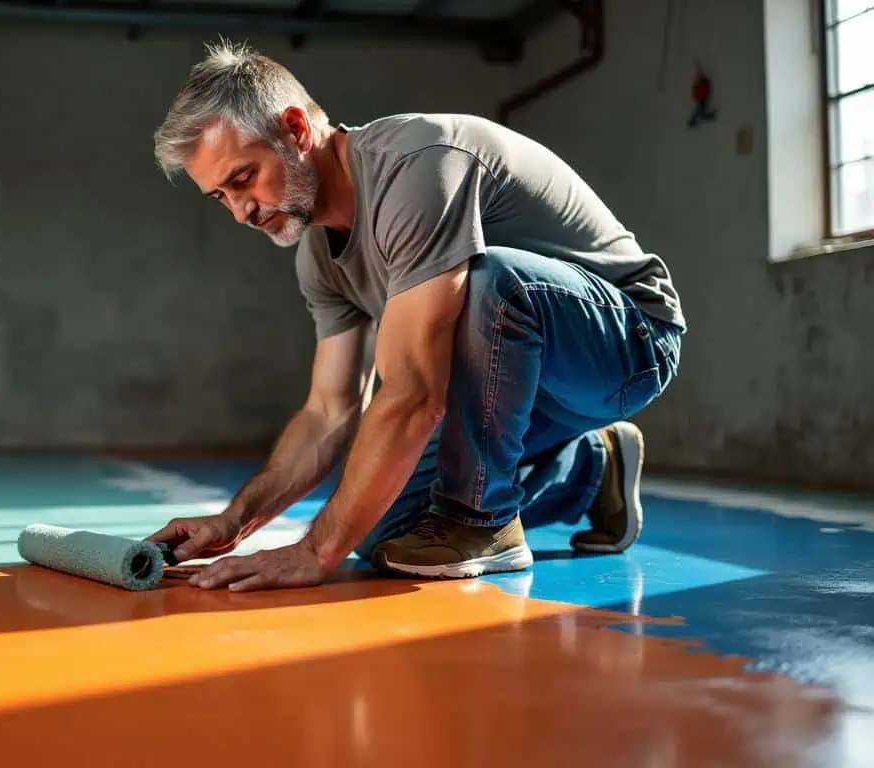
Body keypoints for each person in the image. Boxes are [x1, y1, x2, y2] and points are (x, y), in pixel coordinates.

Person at [145, 39, 685, 592]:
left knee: (489, 282)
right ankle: (592, 472)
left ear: (295, 130)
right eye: (221, 197)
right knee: (382, 531)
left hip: (627, 345)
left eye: (243, 179)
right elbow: (329, 411)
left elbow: (414, 391)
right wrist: (236, 521)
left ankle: (483, 524)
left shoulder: (418, 165)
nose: (241, 212)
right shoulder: (319, 256)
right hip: (508, 384)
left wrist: (314, 551)